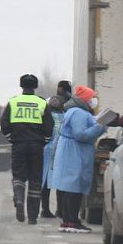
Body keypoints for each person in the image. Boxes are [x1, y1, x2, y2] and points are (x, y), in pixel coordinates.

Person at [48, 85, 107, 233]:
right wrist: (100, 126)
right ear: (85, 99)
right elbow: (80, 135)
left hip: (73, 152)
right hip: (75, 154)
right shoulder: (79, 113)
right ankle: (72, 221)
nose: (94, 100)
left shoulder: (76, 111)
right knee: (74, 188)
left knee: (70, 188)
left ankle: (69, 221)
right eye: (92, 97)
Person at [0, 74, 54, 225]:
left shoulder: (13, 102)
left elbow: (4, 125)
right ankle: (32, 216)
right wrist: (44, 140)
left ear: (21, 86)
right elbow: (49, 127)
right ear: (35, 87)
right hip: (37, 145)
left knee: (18, 176)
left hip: (18, 145)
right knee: (35, 180)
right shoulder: (42, 103)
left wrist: (12, 138)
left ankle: (19, 199)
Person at [41, 81, 71, 218]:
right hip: (62, 150)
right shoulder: (68, 113)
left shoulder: (47, 113)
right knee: (61, 179)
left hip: (47, 150)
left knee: (45, 180)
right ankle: (61, 210)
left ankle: (45, 209)